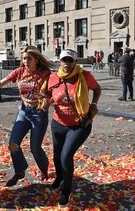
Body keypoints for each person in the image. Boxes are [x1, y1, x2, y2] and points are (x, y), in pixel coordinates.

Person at [0, 46, 53, 186]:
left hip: (39, 114)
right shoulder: (19, 72)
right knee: (13, 144)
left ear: (36, 59)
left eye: (29, 59)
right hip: (24, 112)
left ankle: (44, 168)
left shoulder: (45, 74)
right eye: (24, 58)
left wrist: (47, 102)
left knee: (35, 148)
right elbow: (1, 83)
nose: (25, 61)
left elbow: (52, 92)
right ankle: (20, 171)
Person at [42, 49, 101, 207]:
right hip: (58, 123)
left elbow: (97, 89)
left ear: (75, 62)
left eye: (70, 60)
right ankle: (60, 177)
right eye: (64, 60)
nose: (66, 63)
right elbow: (47, 94)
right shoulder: (53, 77)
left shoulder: (84, 76)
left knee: (65, 155)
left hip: (80, 124)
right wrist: (46, 101)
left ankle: (66, 190)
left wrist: (94, 104)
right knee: (56, 155)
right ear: (59, 61)